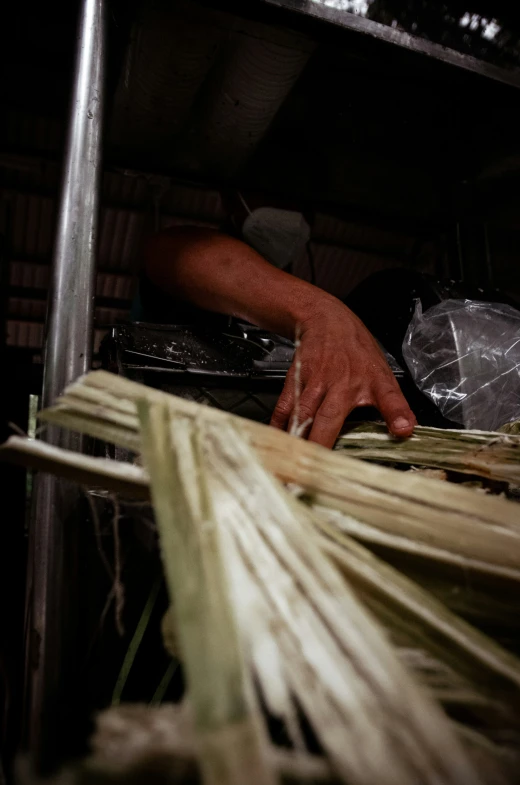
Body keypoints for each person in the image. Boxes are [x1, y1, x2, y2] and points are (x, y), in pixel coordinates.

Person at [141, 223, 417, 449]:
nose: (292, 217)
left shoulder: (293, 275)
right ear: (234, 202)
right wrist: (321, 314)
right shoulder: (204, 251)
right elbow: (163, 252)